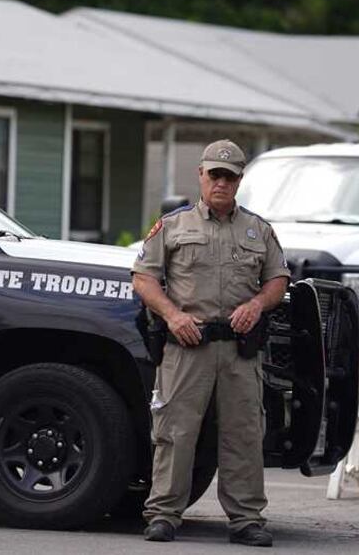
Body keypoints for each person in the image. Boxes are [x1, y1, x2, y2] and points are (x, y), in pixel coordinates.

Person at [132, 139, 290, 547]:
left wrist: (257, 304)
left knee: (244, 433)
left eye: (230, 176)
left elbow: (278, 280)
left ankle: (246, 519)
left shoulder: (259, 229)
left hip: (239, 350)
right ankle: (164, 515)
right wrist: (172, 315)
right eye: (214, 174)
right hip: (188, 346)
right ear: (200, 176)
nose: (221, 182)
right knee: (175, 432)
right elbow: (144, 278)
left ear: (239, 181)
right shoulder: (173, 226)